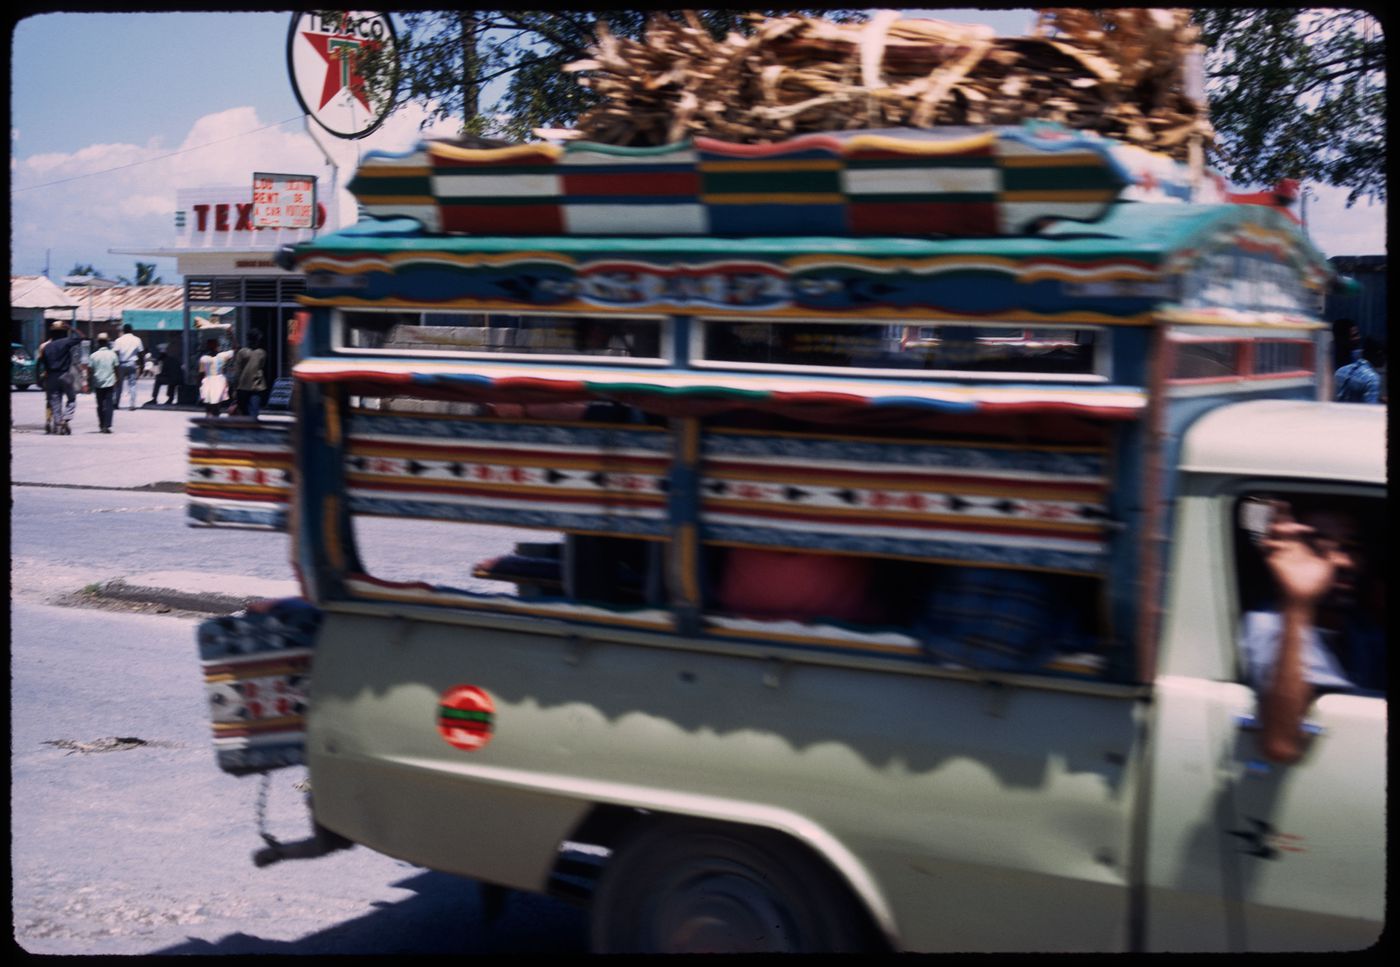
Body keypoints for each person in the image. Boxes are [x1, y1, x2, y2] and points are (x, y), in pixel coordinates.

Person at [1240, 500, 1382, 763]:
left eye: (1351, 548)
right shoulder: (1270, 623)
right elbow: (1281, 743)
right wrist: (1297, 603)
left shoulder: (1361, 629)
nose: (1343, 561)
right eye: (1317, 547)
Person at [37, 324, 84, 435]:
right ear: (63, 332)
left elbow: (41, 363)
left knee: (55, 401)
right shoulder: (66, 342)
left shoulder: (46, 347)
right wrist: (70, 327)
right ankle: (66, 418)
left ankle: (59, 422)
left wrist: (39, 379)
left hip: (51, 376)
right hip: (65, 375)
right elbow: (82, 337)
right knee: (71, 399)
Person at [1333, 324, 1380, 403]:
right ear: (1342, 338)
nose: (1359, 338)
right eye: (1354, 335)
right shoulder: (1334, 360)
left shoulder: (1356, 356)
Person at [231, 329, 269, 420]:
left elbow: (237, 371)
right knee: (254, 412)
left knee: (244, 412)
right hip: (257, 386)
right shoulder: (262, 353)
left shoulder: (242, 352)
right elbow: (261, 366)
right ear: (258, 340)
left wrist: (234, 388)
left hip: (243, 386)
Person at [87, 333, 120, 433]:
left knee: (100, 404)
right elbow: (116, 368)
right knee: (109, 404)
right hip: (110, 382)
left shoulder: (93, 356)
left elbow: (89, 371)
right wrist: (117, 380)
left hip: (98, 383)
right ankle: (107, 425)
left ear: (98, 343)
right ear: (107, 342)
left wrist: (89, 383)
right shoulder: (112, 354)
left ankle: (101, 424)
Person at [197, 337, 235, 418]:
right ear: (218, 346)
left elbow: (200, 374)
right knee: (216, 406)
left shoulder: (204, 358)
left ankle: (210, 424)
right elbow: (235, 349)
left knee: (209, 407)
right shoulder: (222, 356)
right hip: (218, 381)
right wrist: (232, 336)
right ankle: (214, 422)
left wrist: (199, 386)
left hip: (209, 381)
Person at [112, 323, 145, 412]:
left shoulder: (118, 340)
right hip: (132, 363)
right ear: (131, 330)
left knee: (119, 385)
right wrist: (142, 366)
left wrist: (114, 366)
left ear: (123, 331)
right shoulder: (137, 340)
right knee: (132, 385)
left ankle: (116, 403)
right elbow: (141, 354)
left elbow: (115, 353)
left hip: (121, 363)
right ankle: (132, 404)